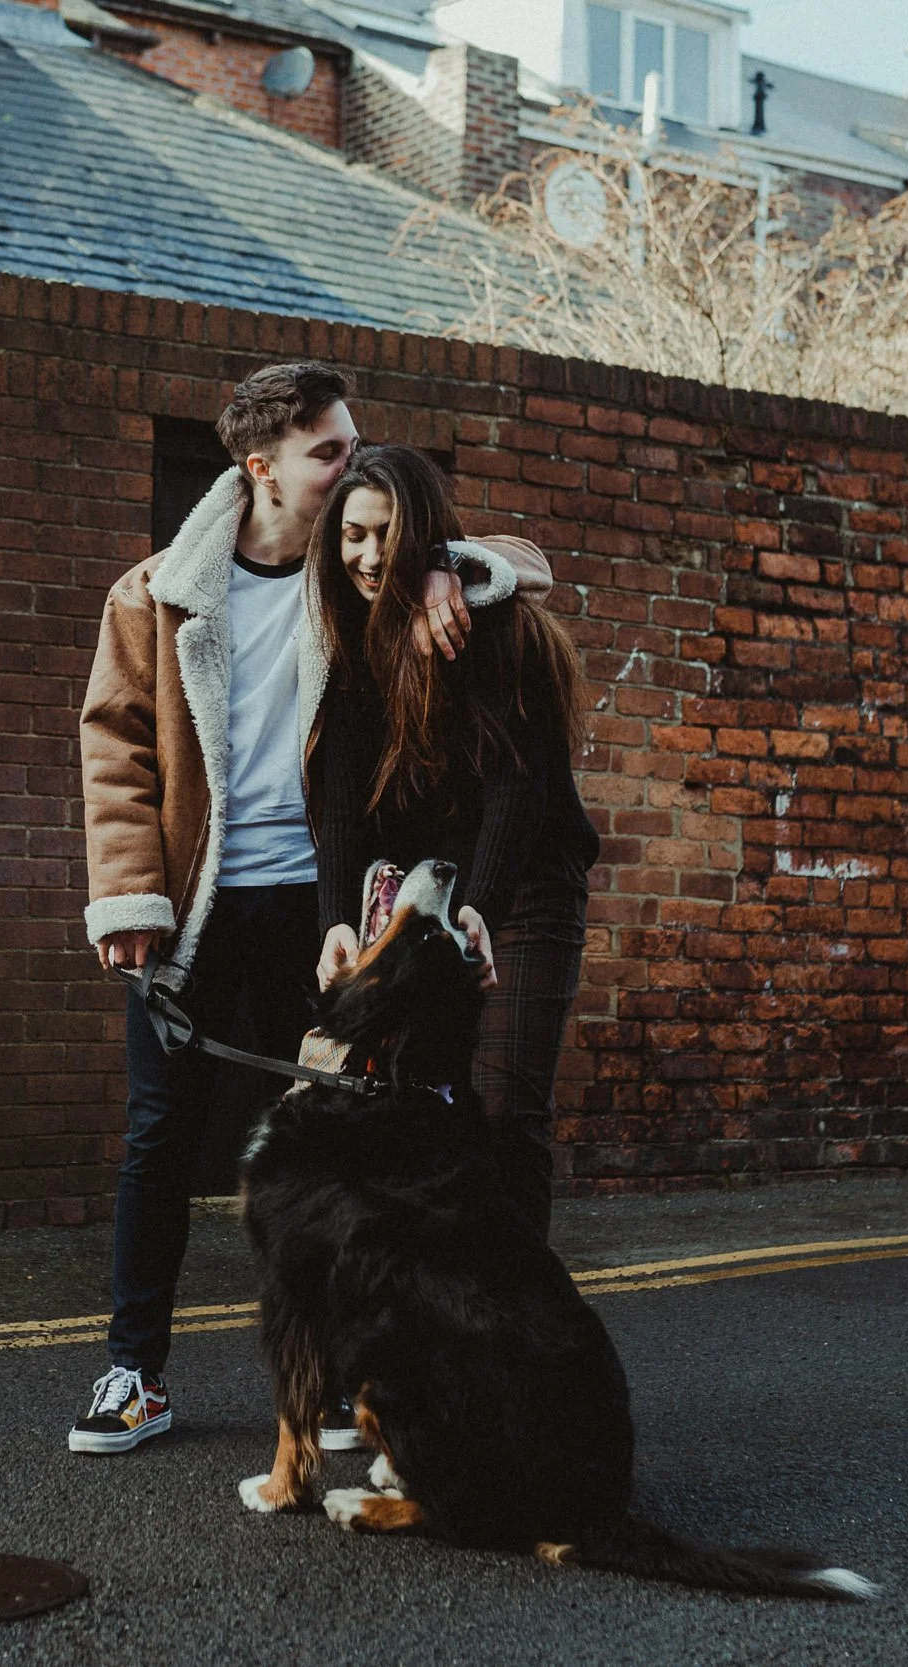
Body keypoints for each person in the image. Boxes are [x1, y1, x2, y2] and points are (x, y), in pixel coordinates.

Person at [72, 365, 549, 1455]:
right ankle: (133, 1373)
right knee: (159, 1138)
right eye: (328, 451)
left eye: (352, 444)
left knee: (332, 1144)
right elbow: (114, 747)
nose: (350, 463)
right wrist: (127, 894)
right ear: (264, 468)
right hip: (192, 909)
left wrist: (447, 566)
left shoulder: (364, 575)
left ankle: (335, 1375)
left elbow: (529, 562)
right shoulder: (156, 593)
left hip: (319, 906)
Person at [305, 444, 597, 1241]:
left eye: (388, 534)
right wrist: (336, 921)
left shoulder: (492, 626)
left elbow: (518, 786)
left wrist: (482, 911)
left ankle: (514, 1304)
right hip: (426, 901)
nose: (370, 556)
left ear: (426, 537)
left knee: (504, 1108)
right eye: (354, 535)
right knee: (421, 1107)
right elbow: (341, 810)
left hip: (524, 886)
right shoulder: (346, 646)